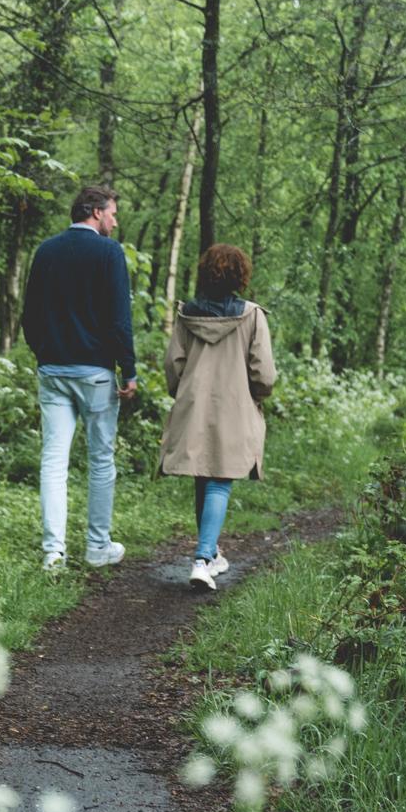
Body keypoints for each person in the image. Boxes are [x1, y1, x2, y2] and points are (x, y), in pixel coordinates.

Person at [21, 185, 138, 571]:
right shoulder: (109, 252)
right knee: (101, 459)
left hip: (53, 370)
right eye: (112, 212)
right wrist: (129, 369)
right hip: (95, 373)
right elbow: (120, 318)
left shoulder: (46, 251)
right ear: (94, 211)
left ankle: (53, 553)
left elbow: (29, 315)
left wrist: (45, 353)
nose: (115, 220)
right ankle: (97, 547)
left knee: (53, 461)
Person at [158, 243, 276, 591]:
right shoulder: (252, 315)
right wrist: (258, 394)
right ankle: (203, 557)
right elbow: (263, 373)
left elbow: (173, 365)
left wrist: (183, 392)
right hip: (234, 406)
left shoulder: (186, 314)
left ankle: (210, 554)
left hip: (194, 405)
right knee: (221, 478)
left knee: (202, 475)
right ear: (241, 275)